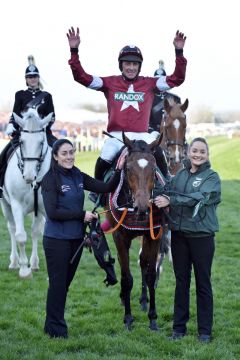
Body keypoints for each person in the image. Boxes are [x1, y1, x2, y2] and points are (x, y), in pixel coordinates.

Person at [66, 27, 187, 185]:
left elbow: (177, 78)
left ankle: (166, 185)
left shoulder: (150, 83)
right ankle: (98, 191)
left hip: (143, 135)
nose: (131, 67)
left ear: (139, 66)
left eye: (135, 64)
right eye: (127, 64)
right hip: (117, 136)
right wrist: (74, 50)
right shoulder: (109, 83)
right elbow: (81, 77)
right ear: (121, 65)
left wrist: (179, 52)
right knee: (105, 157)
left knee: (158, 152)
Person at [41, 138, 125, 339]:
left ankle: (51, 324)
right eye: (64, 153)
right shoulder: (50, 179)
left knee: (64, 284)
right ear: (55, 156)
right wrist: (82, 215)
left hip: (76, 239)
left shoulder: (77, 175)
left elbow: (104, 187)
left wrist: (120, 169)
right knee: (58, 283)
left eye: (71, 152)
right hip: (56, 240)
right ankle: (57, 329)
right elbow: (52, 212)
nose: (69, 156)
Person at [154, 137, 221, 343]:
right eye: (195, 151)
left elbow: (199, 198)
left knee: (203, 283)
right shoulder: (179, 175)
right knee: (181, 282)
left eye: (202, 151)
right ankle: (179, 329)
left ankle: (204, 332)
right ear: (188, 152)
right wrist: (153, 193)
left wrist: (171, 200)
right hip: (180, 237)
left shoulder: (212, 177)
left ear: (207, 154)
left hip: (202, 238)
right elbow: (166, 191)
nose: (198, 154)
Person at [0, 55, 56, 198]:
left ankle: (62, 184)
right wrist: (11, 125)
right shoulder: (20, 95)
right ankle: (1, 185)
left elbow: (52, 116)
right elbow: (15, 113)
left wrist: (41, 124)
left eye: (35, 76)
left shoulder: (46, 96)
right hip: (23, 133)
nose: (33, 79)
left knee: (60, 151)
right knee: (4, 154)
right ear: (26, 79)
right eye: (30, 77)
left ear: (38, 78)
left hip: (42, 133)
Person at [148, 60, 181, 133]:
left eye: (161, 79)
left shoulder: (176, 99)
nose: (159, 82)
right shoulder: (148, 98)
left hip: (172, 133)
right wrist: (151, 131)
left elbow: (180, 118)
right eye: (157, 79)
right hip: (152, 133)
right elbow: (146, 118)